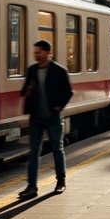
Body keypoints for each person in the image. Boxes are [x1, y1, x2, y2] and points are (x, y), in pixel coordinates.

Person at [18, 40, 73, 200]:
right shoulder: (32, 70)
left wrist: (59, 107)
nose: (36, 55)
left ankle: (61, 181)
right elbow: (24, 90)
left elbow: (68, 92)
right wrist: (27, 90)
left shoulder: (59, 71)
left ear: (48, 52)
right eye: (35, 52)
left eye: (39, 52)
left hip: (52, 117)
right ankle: (32, 186)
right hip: (36, 118)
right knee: (34, 152)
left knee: (57, 149)